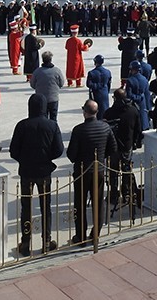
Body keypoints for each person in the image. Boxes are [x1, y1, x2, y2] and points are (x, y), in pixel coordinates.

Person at [11, 93, 63, 255]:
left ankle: (26, 242)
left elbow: (13, 151)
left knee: (26, 207)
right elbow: (59, 150)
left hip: (26, 171)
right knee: (45, 206)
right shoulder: (52, 125)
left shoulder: (22, 126)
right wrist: (46, 158)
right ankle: (46, 241)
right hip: (44, 171)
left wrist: (24, 159)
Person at [67, 100, 117, 245]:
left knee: (80, 204)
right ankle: (96, 234)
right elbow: (113, 148)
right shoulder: (105, 127)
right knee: (98, 203)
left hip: (82, 171)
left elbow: (71, 155)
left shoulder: (79, 130)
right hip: (98, 170)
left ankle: (81, 236)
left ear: (85, 112)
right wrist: (100, 157)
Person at [103, 89, 141, 211]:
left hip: (113, 148)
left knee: (113, 171)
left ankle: (114, 194)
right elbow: (138, 129)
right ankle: (126, 193)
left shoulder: (109, 113)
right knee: (126, 170)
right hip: (127, 146)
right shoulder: (133, 111)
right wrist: (135, 142)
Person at [31, 51, 65, 121]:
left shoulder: (37, 71)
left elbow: (32, 84)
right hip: (53, 98)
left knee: (43, 119)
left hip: (41, 99)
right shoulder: (57, 71)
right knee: (53, 118)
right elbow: (61, 83)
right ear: (51, 59)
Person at [124, 60, 150, 131]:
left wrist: (137, 97)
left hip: (134, 104)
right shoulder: (144, 79)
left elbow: (129, 95)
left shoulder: (130, 80)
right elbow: (147, 93)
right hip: (143, 102)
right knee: (143, 119)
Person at [86, 55, 112, 120]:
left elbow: (88, 84)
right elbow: (109, 84)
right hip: (105, 93)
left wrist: (97, 86)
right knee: (105, 109)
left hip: (96, 93)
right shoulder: (107, 72)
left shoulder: (91, 73)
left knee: (96, 110)